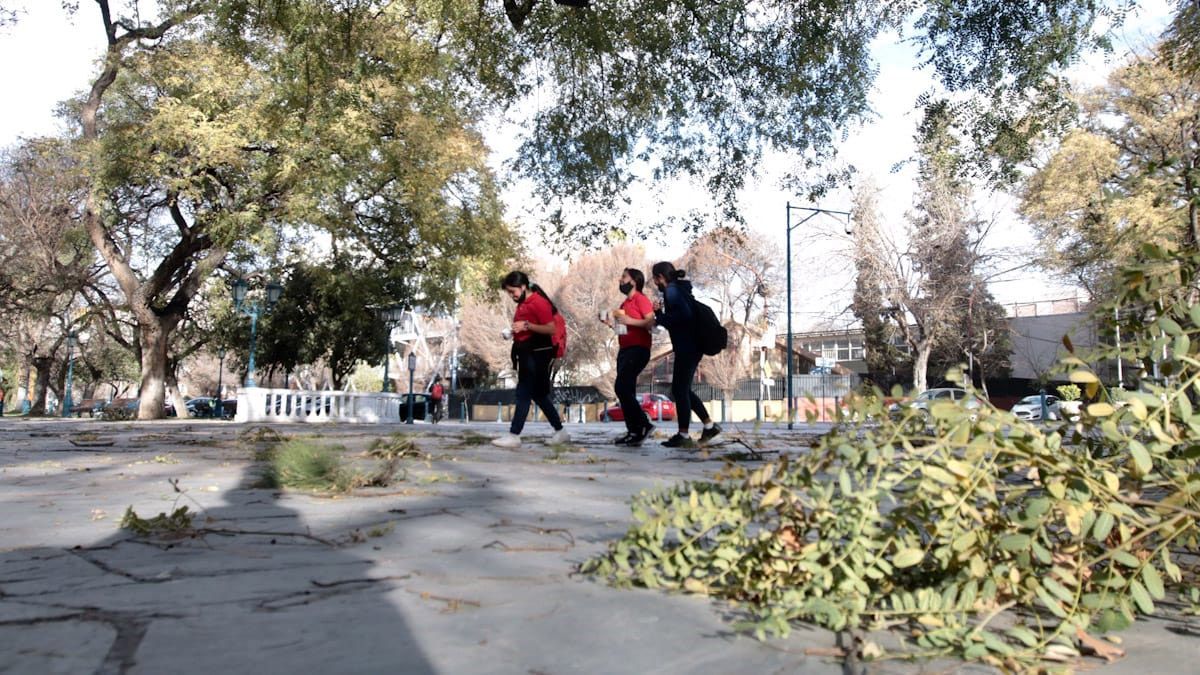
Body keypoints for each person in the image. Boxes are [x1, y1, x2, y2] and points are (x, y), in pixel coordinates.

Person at [493, 271, 570, 448]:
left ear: (523, 287)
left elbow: (551, 328)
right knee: (538, 395)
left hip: (538, 354)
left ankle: (514, 435)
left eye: (513, 291)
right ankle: (560, 431)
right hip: (527, 352)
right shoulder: (523, 304)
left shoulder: (538, 302)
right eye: (509, 292)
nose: (511, 296)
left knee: (524, 392)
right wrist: (513, 332)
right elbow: (526, 329)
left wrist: (526, 326)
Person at [650, 261, 721, 448]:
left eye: (654, 279)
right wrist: (661, 314)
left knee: (679, 390)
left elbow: (684, 317)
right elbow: (682, 316)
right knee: (683, 389)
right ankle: (709, 426)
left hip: (687, 347)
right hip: (692, 346)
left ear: (660, 278)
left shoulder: (672, 291)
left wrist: (659, 316)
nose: (655, 283)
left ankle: (683, 435)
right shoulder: (679, 289)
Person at [605, 267, 656, 446]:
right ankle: (633, 432)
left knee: (621, 387)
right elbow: (623, 330)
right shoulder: (624, 304)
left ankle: (644, 424)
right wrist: (610, 324)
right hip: (624, 349)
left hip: (638, 349)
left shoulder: (641, 299)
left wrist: (630, 321)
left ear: (634, 281)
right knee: (627, 390)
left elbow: (651, 323)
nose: (620, 280)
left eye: (624, 277)